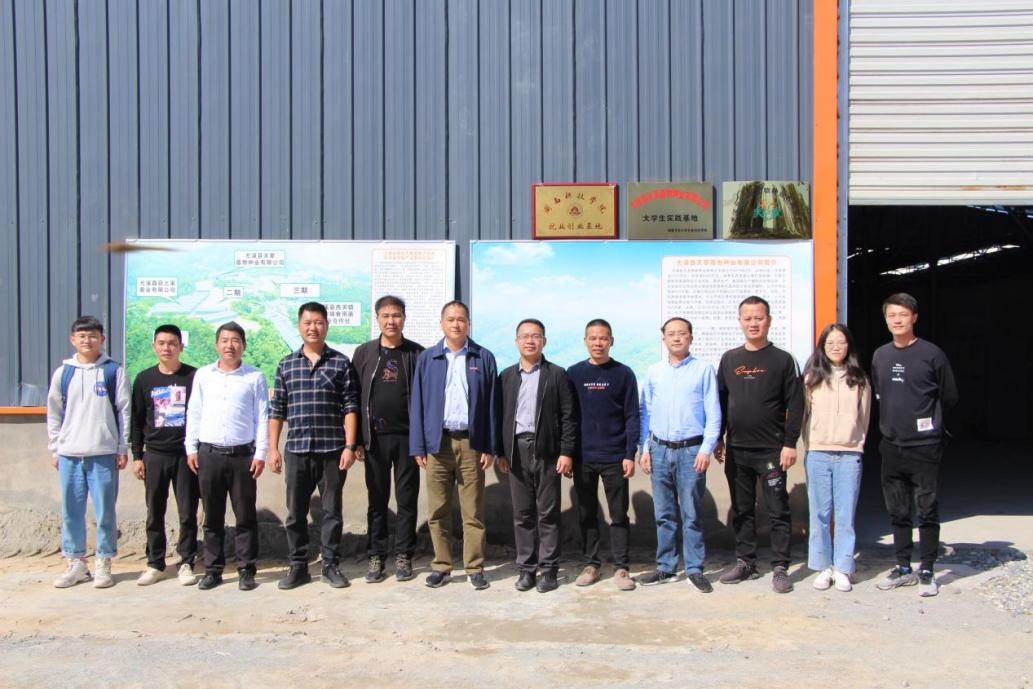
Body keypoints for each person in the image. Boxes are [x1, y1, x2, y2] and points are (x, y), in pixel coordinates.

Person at [268, 302, 360, 590]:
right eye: (308, 322)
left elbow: (350, 406)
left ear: (326, 326)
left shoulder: (341, 363)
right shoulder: (286, 364)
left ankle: (330, 565)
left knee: (332, 511)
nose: (313, 328)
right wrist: (273, 448)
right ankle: (298, 566)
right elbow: (277, 409)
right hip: (297, 450)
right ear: (299, 326)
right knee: (295, 512)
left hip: (332, 451)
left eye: (318, 322)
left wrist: (349, 446)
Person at [715, 296, 803, 594]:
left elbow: (796, 404)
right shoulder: (730, 359)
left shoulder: (783, 359)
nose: (753, 323)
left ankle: (780, 567)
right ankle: (746, 562)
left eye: (759, 318)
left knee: (778, 510)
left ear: (769, 320)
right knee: (742, 509)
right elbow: (720, 402)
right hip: (737, 449)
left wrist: (790, 443)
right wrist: (718, 438)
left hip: (772, 451)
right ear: (740, 321)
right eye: (748, 318)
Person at [410, 301, 500, 590]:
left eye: (461, 319)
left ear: (468, 323)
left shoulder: (483, 357)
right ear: (442, 323)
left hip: (472, 443)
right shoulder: (428, 358)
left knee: (473, 510)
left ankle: (474, 567)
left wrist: (490, 445)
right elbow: (418, 403)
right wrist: (418, 445)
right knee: (438, 509)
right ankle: (442, 566)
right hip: (437, 443)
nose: (456, 324)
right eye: (450, 319)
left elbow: (492, 405)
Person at [872, 293, 958, 597]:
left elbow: (949, 396)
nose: (897, 320)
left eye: (903, 314)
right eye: (892, 315)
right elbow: (879, 393)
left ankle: (927, 569)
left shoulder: (932, 354)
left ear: (914, 317)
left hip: (924, 447)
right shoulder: (880, 355)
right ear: (886, 319)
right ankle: (903, 567)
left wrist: (931, 424)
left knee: (927, 509)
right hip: (891, 446)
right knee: (898, 511)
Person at [637, 317, 721, 593]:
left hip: (691, 451)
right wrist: (644, 448)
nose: (676, 338)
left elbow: (713, 412)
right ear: (663, 338)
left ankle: (695, 568)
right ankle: (666, 567)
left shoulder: (703, 370)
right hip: (659, 449)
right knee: (664, 514)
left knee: (692, 513)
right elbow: (646, 412)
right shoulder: (654, 371)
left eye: (682, 333)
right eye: (671, 334)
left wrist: (706, 448)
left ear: (690, 338)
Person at [46, 316, 131, 589]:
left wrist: (122, 447)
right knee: (71, 511)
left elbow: (124, 411)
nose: (87, 340)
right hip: (70, 453)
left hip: (103, 452)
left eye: (92, 335)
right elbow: (54, 412)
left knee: (105, 512)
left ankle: (104, 561)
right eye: (81, 336)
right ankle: (76, 563)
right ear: (73, 340)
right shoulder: (63, 373)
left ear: (102, 339)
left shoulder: (113, 371)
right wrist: (55, 447)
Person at [185, 321, 269, 591]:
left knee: (245, 516)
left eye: (235, 340)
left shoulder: (254, 377)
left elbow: (262, 417)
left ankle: (246, 569)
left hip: (243, 456)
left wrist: (261, 453)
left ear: (243, 345)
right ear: (216, 344)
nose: (229, 345)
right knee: (212, 517)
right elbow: (194, 412)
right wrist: (191, 448)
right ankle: (213, 569)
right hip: (209, 455)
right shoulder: (203, 375)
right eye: (224, 340)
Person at [497, 319, 577, 593]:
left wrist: (566, 452)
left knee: (548, 513)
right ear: (516, 341)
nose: (530, 341)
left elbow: (568, 417)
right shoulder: (507, 376)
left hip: (548, 452)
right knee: (522, 514)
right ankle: (527, 569)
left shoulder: (557, 375)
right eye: (525, 336)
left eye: (536, 336)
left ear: (544, 341)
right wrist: (502, 451)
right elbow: (500, 416)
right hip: (516, 451)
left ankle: (549, 569)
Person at [351, 295, 424, 583]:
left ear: (404, 318)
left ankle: (404, 556)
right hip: (375, 440)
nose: (391, 321)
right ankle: (376, 556)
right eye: (385, 315)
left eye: (396, 315)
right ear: (377, 318)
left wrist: (423, 441)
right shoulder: (364, 353)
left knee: (407, 500)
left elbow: (425, 399)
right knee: (377, 500)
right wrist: (357, 439)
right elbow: (354, 397)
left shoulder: (417, 354)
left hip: (408, 439)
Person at [567, 319, 640, 591]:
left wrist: (629, 453)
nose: (598, 343)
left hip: (615, 456)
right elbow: (568, 416)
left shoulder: (624, 373)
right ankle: (592, 564)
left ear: (611, 341)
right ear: (585, 341)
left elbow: (632, 416)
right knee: (587, 513)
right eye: (593, 338)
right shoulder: (574, 373)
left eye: (603, 338)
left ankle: (622, 567)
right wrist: (568, 453)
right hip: (583, 456)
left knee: (618, 514)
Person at [801, 323, 871, 593]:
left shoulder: (859, 379)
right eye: (830, 343)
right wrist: (810, 444)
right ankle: (822, 567)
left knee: (845, 514)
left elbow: (864, 417)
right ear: (822, 346)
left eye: (841, 342)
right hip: (818, 452)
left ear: (849, 346)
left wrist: (857, 442)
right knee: (819, 513)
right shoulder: (812, 377)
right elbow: (804, 414)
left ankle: (843, 567)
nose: (836, 347)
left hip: (849, 453)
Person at [130, 324, 200, 586]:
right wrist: (138, 455)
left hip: (185, 456)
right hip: (155, 455)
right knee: (154, 511)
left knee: (187, 512)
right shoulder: (144, 379)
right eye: (161, 343)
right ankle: (155, 563)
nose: (166, 348)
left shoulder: (193, 376)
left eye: (172, 343)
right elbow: (137, 420)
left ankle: (187, 562)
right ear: (154, 347)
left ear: (181, 346)